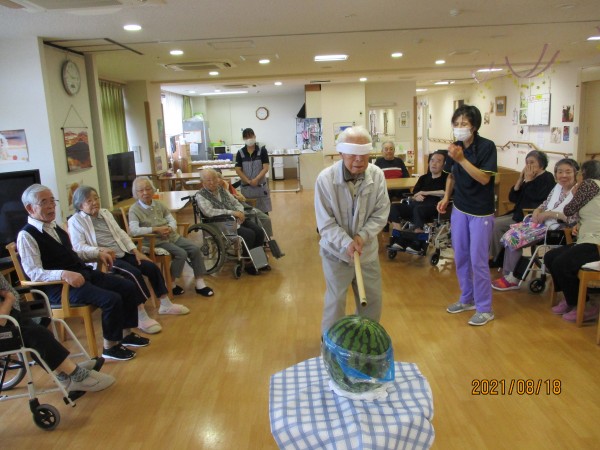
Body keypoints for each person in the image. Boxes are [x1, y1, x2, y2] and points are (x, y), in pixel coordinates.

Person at [17, 184, 145, 361]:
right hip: (60, 288)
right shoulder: (26, 235)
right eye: (44, 202)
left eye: (52, 201)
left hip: (82, 275)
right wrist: (63, 274)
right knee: (111, 299)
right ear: (30, 208)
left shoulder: (54, 227)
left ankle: (126, 334)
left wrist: (97, 253)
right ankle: (110, 347)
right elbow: (34, 272)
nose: (51, 206)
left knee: (127, 287)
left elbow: (72, 253)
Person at [68, 185, 190, 331]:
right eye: (89, 201)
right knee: (133, 273)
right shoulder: (76, 221)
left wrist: (135, 251)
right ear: (80, 205)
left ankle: (165, 304)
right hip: (105, 259)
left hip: (123, 251)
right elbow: (78, 247)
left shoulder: (105, 213)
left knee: (150, 266)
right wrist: (99, 250)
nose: (95, 202)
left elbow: (121, 233)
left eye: (96, 198)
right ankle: (140, 314)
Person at [315, 126, 390, 334]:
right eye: (352, 154)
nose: (359, 159)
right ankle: (330, 343)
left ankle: (365, 340)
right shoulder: (325, 179)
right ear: (341, 153)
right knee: (336, 301)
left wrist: (362, 236)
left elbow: (381, 213)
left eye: (363, 153)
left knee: (372, 300)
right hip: (336, 252)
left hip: (366, 251)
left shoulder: (377, 175)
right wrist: (346, 242)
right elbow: (325, 223)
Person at [0, 273, 115, 393]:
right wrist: (9, 299)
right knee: (36, 334)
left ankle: (63, 373)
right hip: (4, 324)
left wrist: (10, 298)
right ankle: (77, 375)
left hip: (12, 315)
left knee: (42, 323)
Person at [438, 104, 497, 326]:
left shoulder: (487, 147)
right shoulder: (455, 148)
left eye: (464, 123)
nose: (459, 127)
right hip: (460, 208)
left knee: (478, 260)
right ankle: (467, 298)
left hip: (481, 211)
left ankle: (485, 308)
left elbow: (484, 178)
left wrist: (462, 159)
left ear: (474, 126)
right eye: (456, 123)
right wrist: (446, 197)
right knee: (461, 256)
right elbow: (451, 175)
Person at [492, 159, 580, 290]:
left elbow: (573, 218)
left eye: (568, 172)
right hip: (542, 224)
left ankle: (513, 278)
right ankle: (508, 274)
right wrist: (538, 210)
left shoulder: (578, 191)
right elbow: (545, 203)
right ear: (556, 174)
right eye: (560, 172)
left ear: (575, 173)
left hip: (558, 230)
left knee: (516, 238)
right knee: (511, 234)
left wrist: (549, 214)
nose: (564, 175)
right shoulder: (557, 187)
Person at [128, 177, 214, 297]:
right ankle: (171, 283)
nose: (145, 192)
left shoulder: (159, 204)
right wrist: (156, 229)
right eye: (141, 190)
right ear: (136, 193)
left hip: (171, 236)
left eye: (148, 189)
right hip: (155, 241)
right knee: (181, 253)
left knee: (194, 249)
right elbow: (134, 230)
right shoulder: (134, 209)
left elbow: (172, 220)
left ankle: (200, 283)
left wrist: (169, 228)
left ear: (153, 190)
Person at [544, 159, 600, 322]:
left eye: (579, 172)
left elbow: (568, 210)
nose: (578, 175)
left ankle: (585, 306)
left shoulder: (590, 184)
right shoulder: (593, 187)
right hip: (587, 239)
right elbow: (583, 215)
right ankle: (570, 299)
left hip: (596, 243)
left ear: (584, 173)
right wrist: (579, 225)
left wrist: (574, 195)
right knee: (550, 257)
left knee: (562, 263)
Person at [196, 168, 267, 275]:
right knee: (249, 234)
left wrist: (240, 211)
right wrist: (233, 213)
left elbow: (235, 202)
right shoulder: (201, 195)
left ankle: (259, 261)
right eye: (208, 180)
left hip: (236, 218)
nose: (212, 182)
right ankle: (248, 263)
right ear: (202, 182)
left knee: (259, 231)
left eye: (214, 179)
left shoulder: (221, 190)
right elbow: (209, 212)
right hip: (220, 223)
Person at [490, 150, 555, 265]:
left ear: (541, 164)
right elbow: (512, 198)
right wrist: (520, 179)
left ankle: (496, 259)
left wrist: (529, 181)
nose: (528, 165)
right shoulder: (530, 177)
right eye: (527, 163)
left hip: (529, 217)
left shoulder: (547, 178)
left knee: (496, 225)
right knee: (491, 222)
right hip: (517, 213)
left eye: (532, 162)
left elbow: (535, 199)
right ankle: (497, 257)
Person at [389, 151, 448, 234]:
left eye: (438, 161)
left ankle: (418, 234)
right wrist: (415, 197)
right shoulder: (423, 178)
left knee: (418, 208)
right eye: (432, 160)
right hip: (415, 206)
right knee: (394, 206)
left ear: (443, 165)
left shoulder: (447, 178)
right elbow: (414, 194)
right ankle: (399, 232)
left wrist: (426, 192)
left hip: (433, 208)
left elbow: (446, 192)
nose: (434, 164)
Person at [235, 128, 272, 213]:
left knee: (263, 214)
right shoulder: (240, 153)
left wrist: (256, 179)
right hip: (247, 189)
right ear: (244, 139)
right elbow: (238, 170)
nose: (249, 139)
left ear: (254, 136)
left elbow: (265, 168)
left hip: (260, 188)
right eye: (246, 137)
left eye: (250, 136)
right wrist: (248, 181)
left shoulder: (262, 151)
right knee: (249, 213)